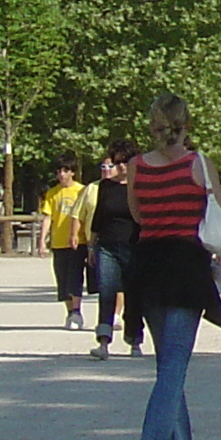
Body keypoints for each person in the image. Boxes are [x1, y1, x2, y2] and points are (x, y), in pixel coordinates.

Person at [126, 94, 221, 440]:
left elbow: (137, 214)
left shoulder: (137, 167)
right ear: (187, 124)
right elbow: (218, 211)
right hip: (187, 265)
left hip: (149, 264)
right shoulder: (199, 164)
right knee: (175, 360)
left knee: (166, 358)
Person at [81, 141, 146, 359]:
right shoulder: (106, 186)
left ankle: (134, 340)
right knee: (106, 292)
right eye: (118, 162)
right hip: (107, 245)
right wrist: (91, 245)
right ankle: (103, 341)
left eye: (126, 162)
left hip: (134, 246)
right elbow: (98, 217)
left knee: (134, 294)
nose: (122, 167)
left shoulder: (140, 186)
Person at [40, 157, 91, 329]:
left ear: (72, 173)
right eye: (59, 171)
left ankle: (76, 311)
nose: (62, 174)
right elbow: (48, 218)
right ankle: (70, 312)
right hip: (58, 242)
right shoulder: (52, 193)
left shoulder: (82, 191)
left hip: (77, 242)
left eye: (66, 171)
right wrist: (42, 241)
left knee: (75, 277)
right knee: (62, 280)